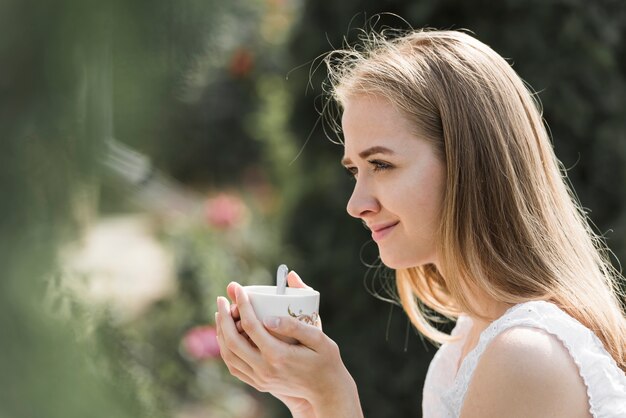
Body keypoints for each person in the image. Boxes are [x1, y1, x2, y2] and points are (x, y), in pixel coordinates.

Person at [215, 29, 626, 417]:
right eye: (354, 170)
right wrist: (309, 399)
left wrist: (334, 396)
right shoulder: (473, 336)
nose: (356, 204)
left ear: (469, 164)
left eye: (382, 164)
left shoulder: (525, 355)